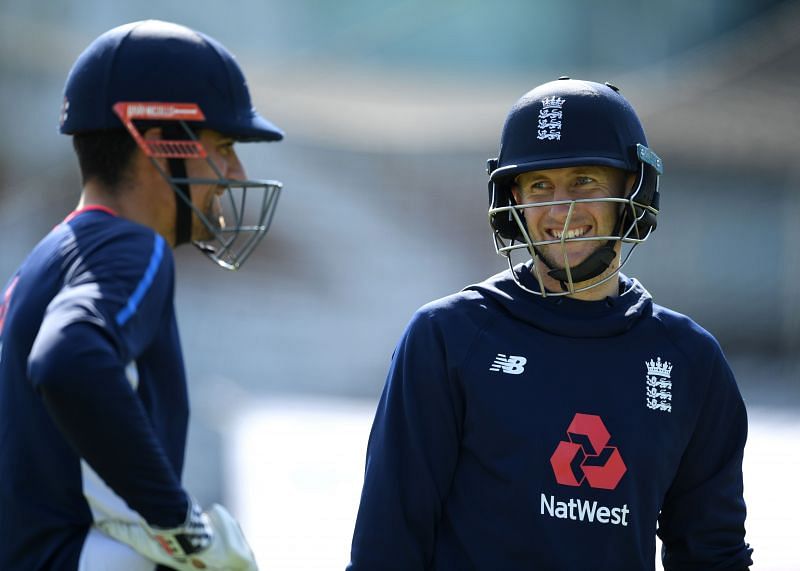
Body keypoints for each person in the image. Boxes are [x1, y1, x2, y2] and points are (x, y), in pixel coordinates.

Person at [348, 78, 753, 570]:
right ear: (512, 200)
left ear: (634, 188)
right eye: (540, 185)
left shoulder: (690, 360)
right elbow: (387, 547)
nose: (560, 211)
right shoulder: (450, 338)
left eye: (584, 180)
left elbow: (713, 553)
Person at [0, 20, 285, 570]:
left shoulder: (48, 257)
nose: (234, 172)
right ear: (158, 144)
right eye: (222, 146)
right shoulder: (132, 247)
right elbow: (69, 359)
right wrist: (181, 527)